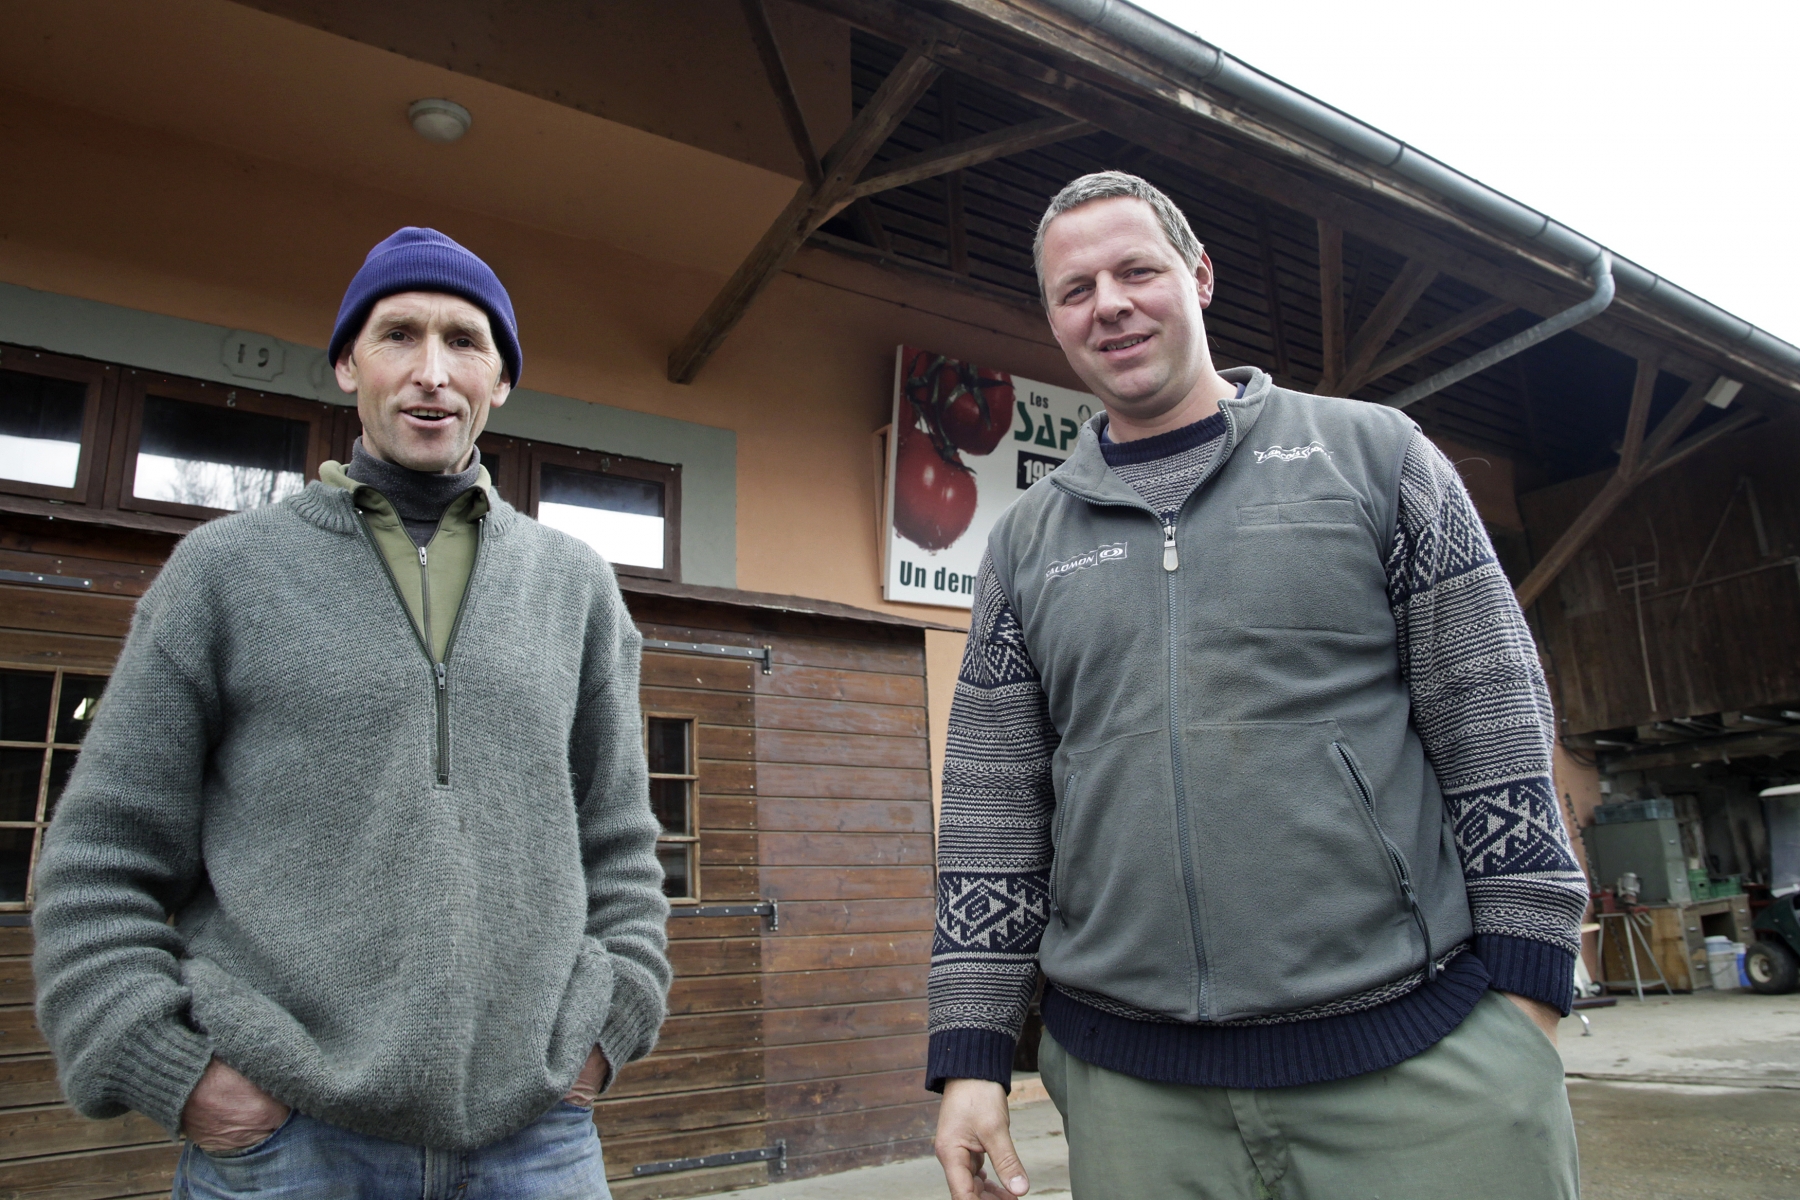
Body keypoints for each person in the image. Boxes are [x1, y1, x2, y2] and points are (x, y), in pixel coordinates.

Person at [927, 174, 1588, 1200]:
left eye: (1136, 270)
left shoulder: (1376, 457)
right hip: (1138, 1101)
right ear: (1054, 319)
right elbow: (992, 805)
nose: (1109, 303)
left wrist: (1530, 994)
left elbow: (1493, 718)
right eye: (1075, 289)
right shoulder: (1025, 544)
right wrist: (972, 1051)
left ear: (1198, 275)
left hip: (1421, 1065)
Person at [32, 227, 671, 1197]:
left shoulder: (573, 587)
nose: (431, 372)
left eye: (465, 342)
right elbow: (96, 863)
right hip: (291, 1146)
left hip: (535, 1142)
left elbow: (619, 846)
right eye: (397, 336)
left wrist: (605, 1033)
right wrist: (178, 1073)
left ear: (501, 381)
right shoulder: (226, 573)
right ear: (345, 366)